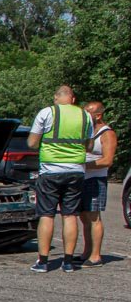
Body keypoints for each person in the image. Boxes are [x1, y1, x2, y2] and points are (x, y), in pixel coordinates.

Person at [26, 85, 93, 273]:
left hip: (50, 170)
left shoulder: (47, 113)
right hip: (76, 170)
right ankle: (69, 261)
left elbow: (32, 142)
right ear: (73, 99)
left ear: (56, 98)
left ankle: (43, 261)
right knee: (70, 215)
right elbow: (89, 144)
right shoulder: (85, 115)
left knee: (47, 215)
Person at [80, 101, 117, 267]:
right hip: (81, 177)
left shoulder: (106, 133)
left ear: (98, 115)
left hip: (96, 178)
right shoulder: (86, 131)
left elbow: (107, 160)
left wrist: (85, 165)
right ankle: (86, 252)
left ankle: (96, 255)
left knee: (94, 216)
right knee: (84, 217)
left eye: (88, 112)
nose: (84, 115)